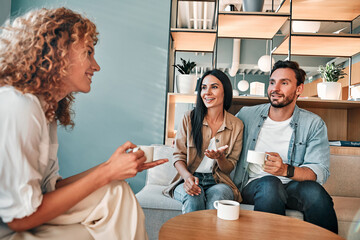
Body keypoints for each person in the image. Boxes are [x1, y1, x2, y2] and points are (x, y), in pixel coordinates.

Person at [0, 7, 167, 240]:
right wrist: (108, 172)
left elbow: (52, 189)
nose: (96, 65)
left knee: (116, 190)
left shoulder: (45, 111)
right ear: (58, 51)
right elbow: (18, 218)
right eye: (88, 52)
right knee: (113, 196)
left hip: (24, 218)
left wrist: (110, 167)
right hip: (9, 229)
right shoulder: (20, 106)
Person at [233, 60, 338, 233]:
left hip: (292, 187)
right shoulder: (247, 115)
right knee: (270, 184)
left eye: (284, 83)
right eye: (272, 82)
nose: (275, 88)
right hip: (253, 185)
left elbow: (319, 170)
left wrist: (284, 170)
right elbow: (223, 132)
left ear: (299, 89)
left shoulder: (313, 124)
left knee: (315, 192)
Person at [163, 69, 243, 213]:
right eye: (203, 88)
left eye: (214, 87)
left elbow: (229, 167)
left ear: (225, 91)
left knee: (218, 198)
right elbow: (178, 156)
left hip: (219, 182)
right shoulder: (189, 118)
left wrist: (220, 158)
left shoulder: (236, 125)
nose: (207, 92)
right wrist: (187, 178)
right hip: (190, 177)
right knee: (194, 197)